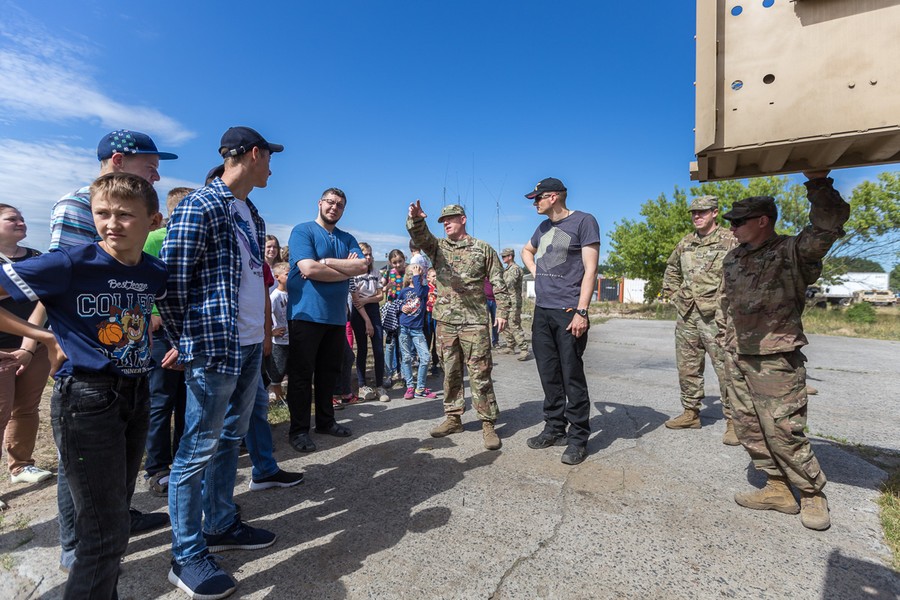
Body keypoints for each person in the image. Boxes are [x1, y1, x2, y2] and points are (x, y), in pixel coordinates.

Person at [0, 172, 167, 598]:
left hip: (135, 393)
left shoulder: (153, 271)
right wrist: (44, 337)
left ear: (152, 220)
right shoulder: (70, 263)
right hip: (86, 399)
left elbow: (151, 315)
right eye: (102, 213)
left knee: (115, 519)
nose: (112, 223)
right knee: (103, 531)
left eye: (125, 215)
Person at [158, 126, 283, 598]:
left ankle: (222, 523)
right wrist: (186, 340)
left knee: (231, 437)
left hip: (248, 345)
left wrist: (263, 334)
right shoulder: (201, 205)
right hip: (214, 347)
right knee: (196, 450)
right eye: (269, 159)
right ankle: (186, 554)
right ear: (253, 154)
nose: (271, 168)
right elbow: (170, 281)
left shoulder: (250, 211)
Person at [49, 129, 175, 571]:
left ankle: (113, 523)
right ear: (118, 160)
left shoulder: (140, 232)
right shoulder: (78, 206)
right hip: (87, 363)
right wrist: (52, 338)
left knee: (116, 460)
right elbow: (66, 277)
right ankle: (76, 543)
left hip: (126, 359)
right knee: (81, 463)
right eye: (150, 164)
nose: (157, 174)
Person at [719, 171, 848, 532]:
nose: (733, 228)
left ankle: (811, 493)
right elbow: (727, 304)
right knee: (749, 428)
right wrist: (724, 341)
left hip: (776, 357)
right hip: (737, 353)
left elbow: (827, 223)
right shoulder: (733, 259)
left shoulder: (793, 251)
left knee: (785, 430)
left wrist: (819, 183)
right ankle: (777, 488)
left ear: (763, 221)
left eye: (739, 222)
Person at [407, 202, 508, 451]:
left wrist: (503, 312)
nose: (446, 224)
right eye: (442, 221)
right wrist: (417, 220)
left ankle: (487, 423)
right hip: (446, 323)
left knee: (480, 373)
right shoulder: (438, 248)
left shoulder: (483, 249)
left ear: (463, 219)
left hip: (475, 322)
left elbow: (498, 281)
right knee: (450, 372)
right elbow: (420, 236)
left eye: (450, 219)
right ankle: (453, 418)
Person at [521, 178, 599, 466]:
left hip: (568, 311)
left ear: (553, 197)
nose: (534, 203)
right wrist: (536, 270)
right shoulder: (543, 228)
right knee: (548, 374)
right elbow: (526, 251)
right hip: (542, 310)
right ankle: (554, 428)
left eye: (537, 197)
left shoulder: (583, 222)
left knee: (571, 376)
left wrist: (582, 311)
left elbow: (591, 270)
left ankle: (578, 438)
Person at [285, 187, 367, 453]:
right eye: (330, 202)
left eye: (340, 205)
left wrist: (328, 262)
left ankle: (325, 421)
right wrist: (344, 269)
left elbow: (363, 266)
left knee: (328, 373)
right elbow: (308, 268)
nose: (334, 207)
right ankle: (298, 430)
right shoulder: (303, 231)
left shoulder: (347, 238)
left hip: (334, 318)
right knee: (301, 375)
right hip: (306, 314)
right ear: (320, 203)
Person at [661, 195, 739, 445]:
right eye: (694, 213)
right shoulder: (685, 243)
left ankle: (734, 422)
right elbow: (671, 270)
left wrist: (728, 303)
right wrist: (675, 296)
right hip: (687, 315)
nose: (697, 216)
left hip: (718, 317)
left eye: (702, 212)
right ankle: (691, 413)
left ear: (715, 212)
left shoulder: (730, 240)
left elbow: (743, 273)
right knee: (687, 367)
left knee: (726, 370)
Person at [0, 205, 53, 503]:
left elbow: (44, 301)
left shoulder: (37, 259)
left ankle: (20, 465)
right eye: (12, 219)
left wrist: (28, 346)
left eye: (21, 219)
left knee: (26, 408)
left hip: (32, 346)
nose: (21, 222)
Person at [143, 187, 192, 497]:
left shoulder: (195, 238)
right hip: (161, 330)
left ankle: (183, 460)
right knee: (162, 398)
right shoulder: (154, 239)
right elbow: (139, 279)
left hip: (188, 330)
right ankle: (157, 467)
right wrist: (151, 313)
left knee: (188, 399)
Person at [350, 242, 390, 402]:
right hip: (359, 313)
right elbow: (356, 301)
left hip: (372, 309)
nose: (367, 257)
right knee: (362, 349)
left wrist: (367, 299)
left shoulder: (375, 272)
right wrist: (367, 321)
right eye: (364, 254)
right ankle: (362, 386)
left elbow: (380, 295)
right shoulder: (353, 274)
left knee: (379, 348)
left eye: (369, 254)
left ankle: (380, 386)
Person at [397, 264, 437, 400]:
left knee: (425, 357)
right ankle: (409, 387)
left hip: (417, 330)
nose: (420, 277)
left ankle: (420, 388)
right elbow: (398, 304)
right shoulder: (404, 291)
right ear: (409, 277)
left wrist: (417, 277)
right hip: (404, 328)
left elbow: (419, 293)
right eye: (417, 275)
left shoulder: (424, 290)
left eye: (420, 275)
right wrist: (402, 307)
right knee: (407, 358)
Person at [498, 247, 530, 361]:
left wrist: (498, 280)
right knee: (504, 324)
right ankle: (510, 346)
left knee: (514, 324)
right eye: (502, 256)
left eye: (504, 256)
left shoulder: (515, 269)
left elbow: (509, 284)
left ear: (510, 256)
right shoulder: (507, 269)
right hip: (506, 302)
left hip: (513, 302)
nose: (503, 258)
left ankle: (524, 349)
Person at [267, 262, 290, 403]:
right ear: (277, 277)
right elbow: (267, 315)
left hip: (293, 339)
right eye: (287, 274)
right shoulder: (274, 296)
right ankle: (279, 398)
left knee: (291, 369)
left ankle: (292, 397)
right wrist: (271, 331)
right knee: (277, 371)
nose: (290, 277)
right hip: (279, 342)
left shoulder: (293, 294)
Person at [382, 249, 407, 385]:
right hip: (391, 312)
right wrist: (385, 287)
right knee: (390, 345)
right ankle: (388, 374)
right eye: (394, 262)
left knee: (403, 344)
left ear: (404, 259)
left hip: (404, 312)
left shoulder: (408, 273)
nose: (398, 265)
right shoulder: (388, 273)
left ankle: (403, 372)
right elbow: (380, 286)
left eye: (400, 261)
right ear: (390, 263)